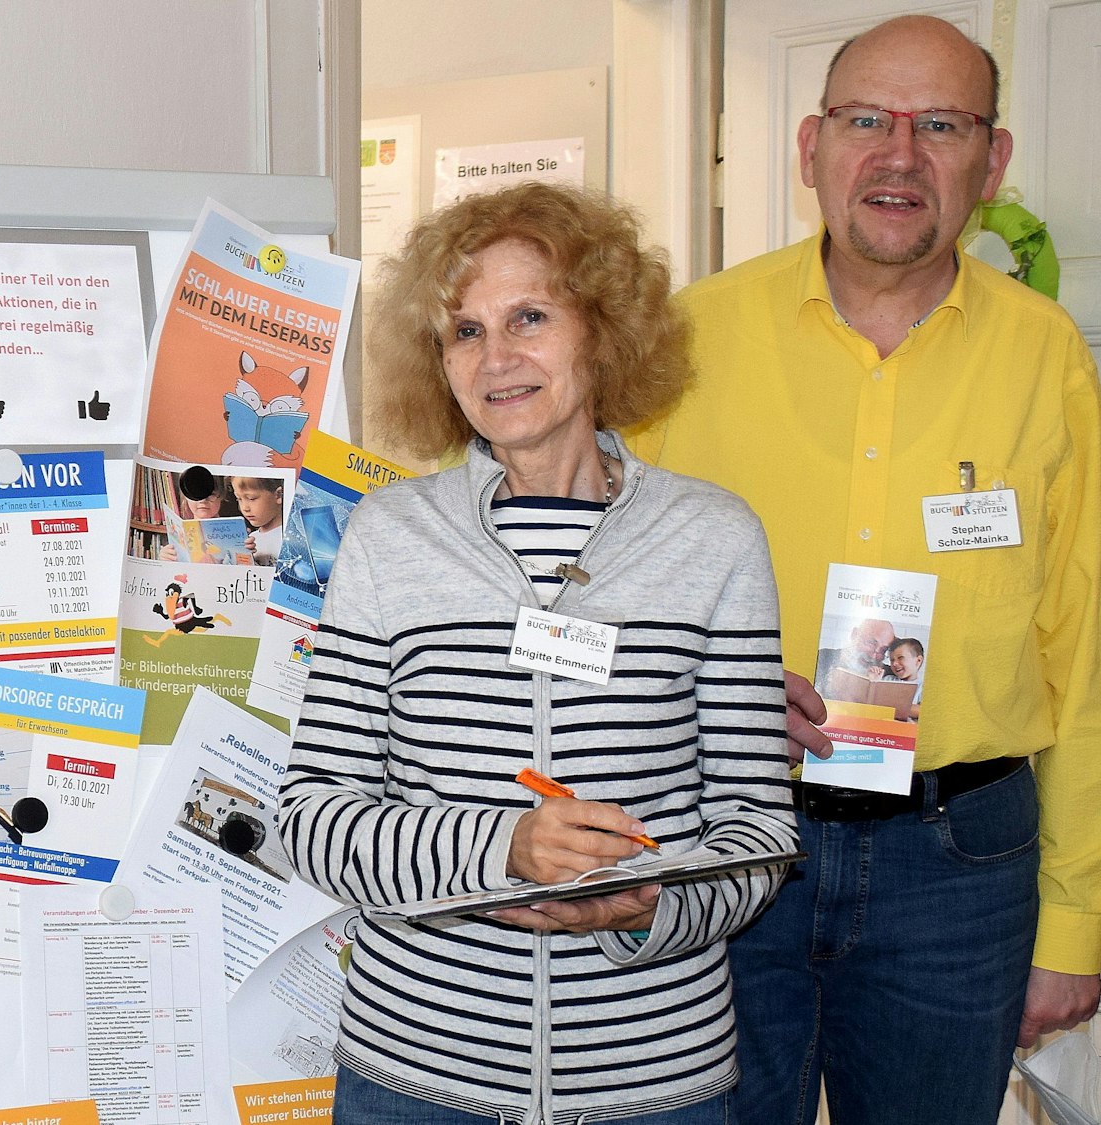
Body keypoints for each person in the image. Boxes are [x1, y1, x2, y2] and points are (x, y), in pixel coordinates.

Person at [628, 16, 1101, 1123]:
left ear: (991, 162)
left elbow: (1089, 646)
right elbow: (577, 573)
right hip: (725, 841)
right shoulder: (684, 339)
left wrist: (1074, 923)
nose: (899, 154)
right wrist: (701, 686)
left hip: (956, 872)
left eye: (941, 125)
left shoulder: (1042, 352)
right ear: (810, 146)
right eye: (866, 119)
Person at [280, 182, 797, 1124]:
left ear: (602, 330)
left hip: (654, 1080)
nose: (497, 358)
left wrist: (644, 904)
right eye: (464, 331)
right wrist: (503, 847)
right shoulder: (389, 536)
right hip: (417, 1077)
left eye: (529, 316)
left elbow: (758, 836)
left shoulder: (714, 538)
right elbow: (312, 817)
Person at [231, 476, 284, 565]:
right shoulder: (249, 541)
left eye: (251, 498)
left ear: (278, 495)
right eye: (239, 499)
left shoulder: (291, 537)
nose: (244, 508)